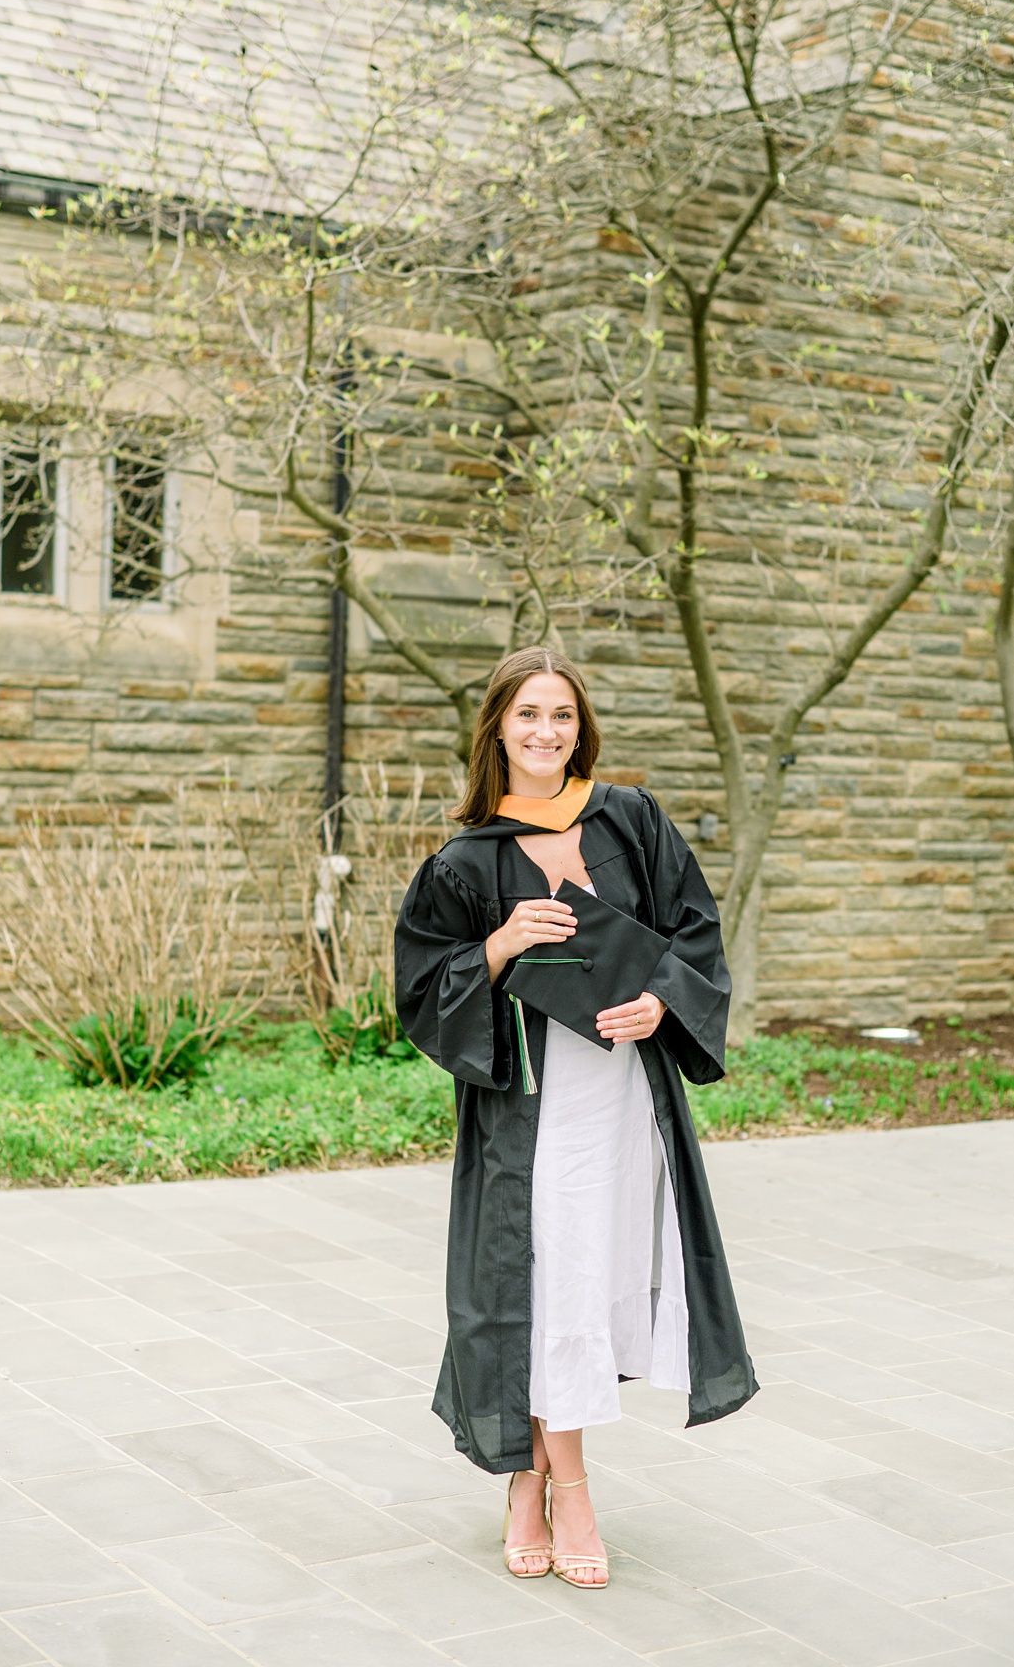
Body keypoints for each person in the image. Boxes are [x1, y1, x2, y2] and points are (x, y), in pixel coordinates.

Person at [395, 646, 757, 1589]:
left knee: (586, 1286)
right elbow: (422, 986)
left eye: (561, 715)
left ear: (579, 726)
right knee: (541, 1291)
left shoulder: (630, 820)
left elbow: (694, 933)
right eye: (527, 717)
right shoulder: (464, 860)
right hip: (530, 1113)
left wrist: (664, 1004)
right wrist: (501, 943)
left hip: (625, 1097)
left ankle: (526, 1476)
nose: (546, 733)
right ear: (497, 732)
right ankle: (565, 1491)